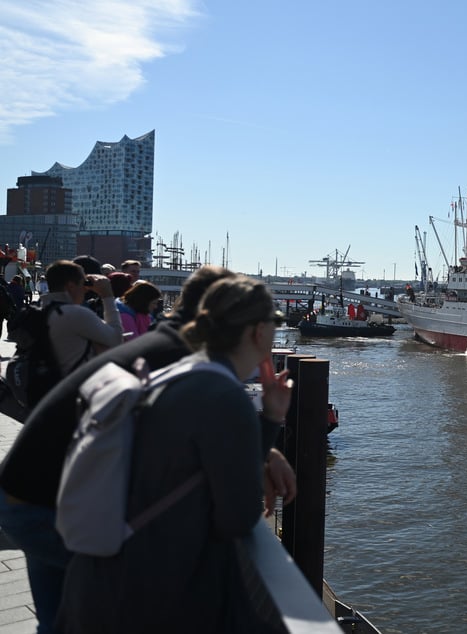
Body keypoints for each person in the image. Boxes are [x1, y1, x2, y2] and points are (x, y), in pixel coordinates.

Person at [0, 266, 296, 634]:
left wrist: (264, 446)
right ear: (258, 330)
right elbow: (236, 509)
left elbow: (194, 439)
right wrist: (268, 426)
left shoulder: (170, 350)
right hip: (53, 504)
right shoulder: (192, 369)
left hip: (31, 485)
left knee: (62, 618)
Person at [43, 260, 123, 376]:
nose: (86, 289)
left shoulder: (39, 308)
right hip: (71, 386)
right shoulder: (75, 314)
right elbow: (116, 340)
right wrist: (107, 295)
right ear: (70, 287)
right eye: (83, 284)